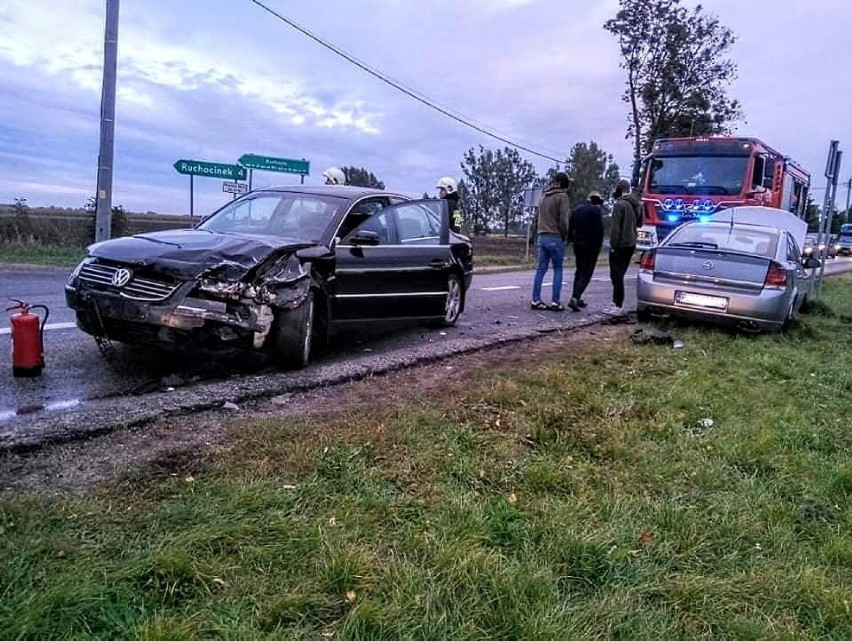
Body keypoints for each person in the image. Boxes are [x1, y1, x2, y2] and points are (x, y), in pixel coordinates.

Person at [531, 172, 572, 311]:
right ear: (562, 183)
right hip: (555, 237)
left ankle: (535, 300)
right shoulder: (562, 197)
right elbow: (563, 220)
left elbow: (537, 217)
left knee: (541, 269)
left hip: (541, 236)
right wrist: (565, 236)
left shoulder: (543, 196)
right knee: (558, 269)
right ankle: (555, 302)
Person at [606, 179, 643, 316]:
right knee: (620, 274)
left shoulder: (619, 205)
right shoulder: (636, 204)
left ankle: (617, 304)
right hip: (631, 243)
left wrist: (613, 245)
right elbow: (640, 223)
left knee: (616, 275)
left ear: (619, 190)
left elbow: (615, 229)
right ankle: (617, 303)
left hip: (620, 244)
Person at [566, 191, 605, 312]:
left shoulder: (577, 209)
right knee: (587, 273)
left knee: (579, 271)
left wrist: (571, 240)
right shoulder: (595, 211)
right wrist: (599, 246)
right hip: (591, 247)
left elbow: (570, 226)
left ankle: (577, 297)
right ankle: (575, 297)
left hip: (578, 244)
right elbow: (600, 230)